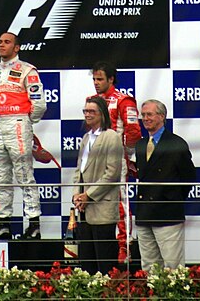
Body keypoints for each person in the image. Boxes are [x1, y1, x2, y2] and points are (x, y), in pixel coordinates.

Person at [0, 32, 46, 240]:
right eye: (0, 41)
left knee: (24, 175)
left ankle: (33, 224)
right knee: (1, 176)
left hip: (19, 123)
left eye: (7, 42)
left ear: (17, 47)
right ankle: (3, 223)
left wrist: (25, 121)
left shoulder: (27, 70)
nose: (2, 45)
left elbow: (39, 104)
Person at [135, 99, 196, 271]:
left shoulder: (176, 144)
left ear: (162, 116)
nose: (145, 118)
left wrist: (172, 198)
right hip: (144, 214)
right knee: (149, 266)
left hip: (167, 214)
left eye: (150, 114)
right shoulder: (140, 145)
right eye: (143, 115)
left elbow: (189, 178)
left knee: (172, 265)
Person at [91, 60, 141, 263]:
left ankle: (125, 245)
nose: (96, 82)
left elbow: (134, 132)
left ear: (111, 79)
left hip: (115, 160)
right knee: (95, 201)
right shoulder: (92, 100)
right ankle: (102, 245)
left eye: (100, 79)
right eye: (94, 79)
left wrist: (125, 155)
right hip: (95, 161)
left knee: (120, 203)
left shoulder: (123, 100)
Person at [73, 95, 123, 275]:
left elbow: (112, 173)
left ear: (102, 114)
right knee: (87, 264)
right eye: (85, 111)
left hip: (102, 209)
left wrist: (88, 195)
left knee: (105, 263)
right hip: (84, 211)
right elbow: (79, 171)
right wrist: (76, 195)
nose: (87, 114)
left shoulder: (112, 137)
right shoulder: (86, 137)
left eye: (91, 111)